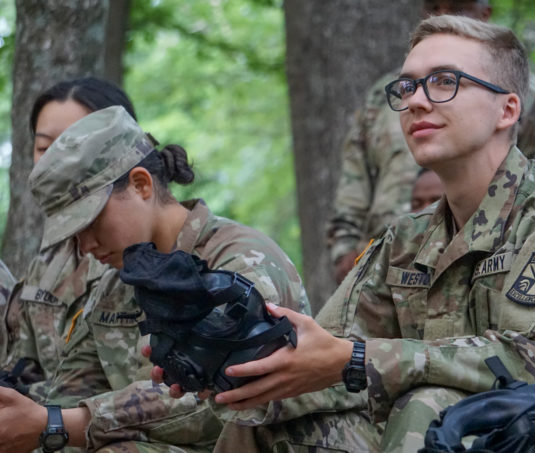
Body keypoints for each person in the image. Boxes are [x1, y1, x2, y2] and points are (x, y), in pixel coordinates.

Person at [167, 15, 535, 452]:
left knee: (428, 404)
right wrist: (227, 364)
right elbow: (327, 351)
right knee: (262, 423)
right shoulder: (407, 239)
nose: (416, 100)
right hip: (461, 434)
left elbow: (528, 366)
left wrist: (353, 359)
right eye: (407, 87)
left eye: (444, 82)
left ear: (507, 110)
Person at [0, 106, 309, 452]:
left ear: (140, 184)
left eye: (90, 223)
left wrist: (61, 424)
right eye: (73, 234)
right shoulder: (116, 282)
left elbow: (227, 404)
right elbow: (74, 389)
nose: (85, 246)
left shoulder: (237, 263)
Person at [326, 0, 535, 284]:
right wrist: (345, 250)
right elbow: (355, 176)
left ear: (485, 14)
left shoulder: (520, 95)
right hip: (389, 260)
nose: (443, 15)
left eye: (457, 7)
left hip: (490, 257)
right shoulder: (389, 95)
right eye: (434, 6)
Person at [0, 78, 137, 399]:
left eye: (73, 145)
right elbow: (24, 363)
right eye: (45, 148)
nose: (54, 161)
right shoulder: (47, 263)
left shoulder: (156, 256)